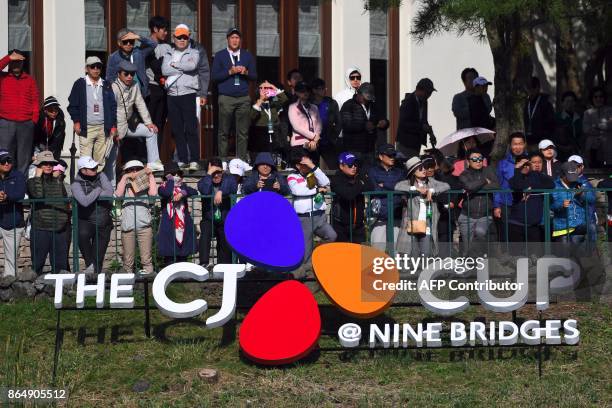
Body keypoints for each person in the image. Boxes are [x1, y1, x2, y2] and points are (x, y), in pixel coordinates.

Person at [109, 59, 162, 178]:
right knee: (111, 159)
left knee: (152, 131)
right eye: (126, 74)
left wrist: (149, 123)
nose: (129, 76)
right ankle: (111, 185)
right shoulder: (114, 87)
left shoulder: (134, 85)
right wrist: (113, 129)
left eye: (132, 74)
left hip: (129, 125)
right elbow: (110, 111)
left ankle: (154, 165)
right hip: (115, 128)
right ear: (119, 74)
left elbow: (140, 103)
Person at [211, 27, 257, 161]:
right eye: (232, 37)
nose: (235, 40)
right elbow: (214, 77)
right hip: (226, 97)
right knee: (223, 131)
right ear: (227, 40)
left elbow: (254, 76)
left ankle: (241, 160)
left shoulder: (247, 55)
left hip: (243, 97)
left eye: (237, 38)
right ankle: (223, 161)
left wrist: (245, 72)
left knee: (242, 132)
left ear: (240, 40)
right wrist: (229, 72)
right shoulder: (220, 55)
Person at [160, 24, 201, 170]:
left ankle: (195, 159)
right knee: (177, 129)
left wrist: (175, 65)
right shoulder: (168, 54)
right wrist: (181, 65)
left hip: (188, 93)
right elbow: (164, 69)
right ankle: (183, 159)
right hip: (172, 95)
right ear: (174, 38)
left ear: (188, 38)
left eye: (185, 37)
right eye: (179, 37)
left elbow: (192, 65)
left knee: (190, 128)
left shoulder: (194, 52)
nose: (182, 40)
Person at [67, 56, 118, 173]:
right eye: (92, 67)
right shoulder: (79, 84)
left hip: (103, 128)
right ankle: (84, 187)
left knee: (100, 160)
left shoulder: (106, 84)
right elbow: (72, 105)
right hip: (86, 128)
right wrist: (76, 121)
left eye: (99, 67)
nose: (96, 69)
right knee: (85, 160)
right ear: (87, 69)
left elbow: (112, 106)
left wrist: (113, 125)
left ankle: (96, 186)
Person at [287, 147, 336, 264]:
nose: (308, 165)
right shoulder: (292, 176)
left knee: (332, 236)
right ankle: (308, 277)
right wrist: (317, 190)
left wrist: (314, 167)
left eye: (309, 161)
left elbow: (326, 182)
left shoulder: (313, 173)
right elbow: (298, 191)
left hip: (319, 215)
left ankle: (318, 256)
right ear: (298, 165)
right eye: (305, 163)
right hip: (304, 218)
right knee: (306, 252)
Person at [395, 157, 450, 257]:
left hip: (428, 221)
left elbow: (446, 186)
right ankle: (416, 271)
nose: (424, 170)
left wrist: (431, 191)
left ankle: (424, 270)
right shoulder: (408, 183)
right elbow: (397, 186)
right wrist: (416, 189)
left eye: (423, 167)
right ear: (413, 172)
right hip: (413, 221)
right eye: (420, 168)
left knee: (427, 252)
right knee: (414, 252)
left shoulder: (431, 181)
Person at [27, 151, 69, 274]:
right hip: (41, 228)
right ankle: (35, 290)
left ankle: (61, 291)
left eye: (51, 163)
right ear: (38, 166)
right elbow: (38, 195)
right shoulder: (31, 182)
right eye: (44, 163)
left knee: (60, 265)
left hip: (59, 229)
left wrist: (63, 219)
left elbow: (65, 201)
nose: (48, 166)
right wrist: (37, 176)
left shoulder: (58, 181)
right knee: (38, 264)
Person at [71, 156, 114, 274]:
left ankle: (96, 282)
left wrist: (91, 195)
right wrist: (99, 190)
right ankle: (90, 268)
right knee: (82, 237)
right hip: (86, 220)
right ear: (83, 170)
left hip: (104, 220)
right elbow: (84, 202)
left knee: (98, 256)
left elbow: (109, 193)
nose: (95, 169)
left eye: (95, 166)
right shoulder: (76, 184)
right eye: (92, 168)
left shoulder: (102, 175)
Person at [0, 50, 40, 175]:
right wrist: (8, 57)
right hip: (6, 122)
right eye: (14, 62)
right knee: (5, 156)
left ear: (23, 64)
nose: (16, 65)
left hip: (26, 123)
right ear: (10, 63)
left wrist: (34, 120)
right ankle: (5, 185)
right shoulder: (3, 78)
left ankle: (20, 185)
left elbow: (35, 100)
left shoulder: (30, 80)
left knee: (24, 157)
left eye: (19, 62)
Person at [114, 160, 157, 275]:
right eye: (131, 169)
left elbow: (153, 194)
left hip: (144, 225)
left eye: (137, 169)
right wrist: (125, 177)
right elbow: (118, 195)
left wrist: (150, 175)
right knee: (128, 261)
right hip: (128, 225)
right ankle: (128, 284)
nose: (135, 172)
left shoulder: (145, 182)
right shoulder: (125, 183)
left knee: (146, 259)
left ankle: (148, 284)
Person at [507, 152, 555, 245]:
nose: (537, 165)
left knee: (534, 257)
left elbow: (551, 185)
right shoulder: (518, 177)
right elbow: (517, 185)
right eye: (534, 162)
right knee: (517, 257)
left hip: (533, 226)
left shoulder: (542, 177)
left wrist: (532, 187)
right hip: (516, 224)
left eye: (539, 162)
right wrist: (517, 169)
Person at [198, 158, 237, 268]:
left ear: (222, 171)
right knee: (205, 231)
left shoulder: (229, 179)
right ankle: (204, 263)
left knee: (225, 237)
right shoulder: (204, 181)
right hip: (209, 218)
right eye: (213, 173)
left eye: (218, 173)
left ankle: (223, 266)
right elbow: (204, 190)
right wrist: (208, 174)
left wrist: (221, 191)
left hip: (224, 218)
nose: (216, 176)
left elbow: (233, 186)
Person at [366, 144, 407, 252]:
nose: (392, 157)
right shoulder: (372, 171)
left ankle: (396, 270)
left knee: (396, 253)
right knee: (377, 253)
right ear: (380, 156)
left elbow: (402, 189)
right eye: (389, 155)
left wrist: (385, 185)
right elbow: (374, 190)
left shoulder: (400, 172)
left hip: (396, 215)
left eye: (393, 155)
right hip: (379, 217)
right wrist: (394, 190)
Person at [458, 149, 499, 254]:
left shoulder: (489, 170)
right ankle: (469, 267)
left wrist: (476, 187)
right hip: (466, 215)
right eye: (475, 159)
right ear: (468, 161)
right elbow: (469, 186)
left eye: (480, 159)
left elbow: (496, 185)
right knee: (467, 248)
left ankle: (480, 262)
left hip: (484, 215)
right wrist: (485, 181)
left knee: (480, 233)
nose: (478, 161)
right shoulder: (464, 174)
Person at [157, 162, 199, 264]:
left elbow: (194, 192)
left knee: (183, 253)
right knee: (170, 254)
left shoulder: (183, 186)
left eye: (178, 174)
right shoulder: (162, 187)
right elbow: (167, 193)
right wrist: (170, 181)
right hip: (169, 224)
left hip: (182, 224)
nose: (176, 176)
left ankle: (183, 277)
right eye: (173, 174)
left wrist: (182, 193)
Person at [340, 83, 388, 167]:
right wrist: (363, 126)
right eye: (365, 98)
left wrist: (385, 123)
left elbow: (382, 118)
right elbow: (345, 124)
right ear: (359, 94)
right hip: (353, 148)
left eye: (369, 99)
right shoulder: (348, 105)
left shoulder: (373, 106)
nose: (367, 101)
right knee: (354, 172)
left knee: (368, 174)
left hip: (370, 148)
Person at [331, 152, 372, 243]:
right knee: (342, 255)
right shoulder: (336, 179)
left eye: (355, 164)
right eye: (350, 165)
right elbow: (348, 195)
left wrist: (356, 186)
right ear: (341, 166)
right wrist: (360, 184)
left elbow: (371, 186)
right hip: (341, 227)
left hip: (358, 226)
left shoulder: (359, 176)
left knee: (358, 255)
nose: (354, 167)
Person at [494, 132, 528, 242]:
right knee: (507, 232)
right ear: (510, 145)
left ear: (525, 144)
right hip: (506, 202)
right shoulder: (503, 163)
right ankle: (507, 257)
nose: (518, 147)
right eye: (515, 144)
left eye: (520, 144)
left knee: (523, 231)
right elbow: (498, 184)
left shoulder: (530, 161)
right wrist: (497, 205)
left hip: (525, 202)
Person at [551, 161, 595, 244]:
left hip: (578, 224)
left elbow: (592, 199)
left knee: (591, 227)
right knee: (565, 254)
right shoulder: (554, 185)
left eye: (574, 176)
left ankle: (591, 254)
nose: (573, 179)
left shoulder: (580, 183)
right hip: (562, 225)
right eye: (569, 176)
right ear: (563, 174)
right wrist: (561, 205)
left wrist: (581, 194)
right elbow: (552, 206)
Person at [106, 28, 156, 97]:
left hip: (141, 93)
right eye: (125, 42)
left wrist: (137, 37)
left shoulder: (139, 52)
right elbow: (110, 77)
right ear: (119, 43)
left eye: (131, 41)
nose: (128, 44)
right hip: (123, 95)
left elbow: (154, 44)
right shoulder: (113, 57)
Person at [145, 15, 170, 149]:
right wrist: (160, 77)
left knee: (160, 123)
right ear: (155, 29)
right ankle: (146, 158)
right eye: (164, 30)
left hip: (164, 90)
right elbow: (153, 65)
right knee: (149, 124)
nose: (166, 33)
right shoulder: (147, 45)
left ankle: (157, 158)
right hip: (151, 89)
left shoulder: (167, 47)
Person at [397, 78, 437, 159]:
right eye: (427, 92)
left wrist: (431, 133)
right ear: (419, 89)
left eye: (430, 93)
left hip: (416, 143)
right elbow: (403, 124)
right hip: (406, 143)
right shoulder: (408, 102)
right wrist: (421, 127)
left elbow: (424, 120)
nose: (429, 95)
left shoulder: (424, 101)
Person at [0, 149, 25, 277]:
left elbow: (20, 194)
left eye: (9, 160)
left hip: (13, 222)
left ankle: (10, 286)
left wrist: (6, 197)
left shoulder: (18, 175)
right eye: (3, 161)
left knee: (11, 258)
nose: (6, 163)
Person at [249, 80, 288, 162]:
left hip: (274, 136)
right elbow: (251, 116)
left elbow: (284, 99)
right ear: (258, 90)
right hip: (261, 137)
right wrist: (260, 101)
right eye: (262, 88)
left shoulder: (273, 102)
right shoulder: (253, 103)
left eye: (268, 88)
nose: (265, 90)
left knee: (274, 160)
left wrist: (273, 87)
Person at [311, 78, 341, 170]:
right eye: (321, 88)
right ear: (314, 90)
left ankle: (335, 184)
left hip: (328, 141)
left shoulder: (331, 103)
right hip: (313, 142)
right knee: (312, 167)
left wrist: (333, 136)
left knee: (334, 166)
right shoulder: (308, 103)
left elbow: (339, 121)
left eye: (325, 88)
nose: (324, 90)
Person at [582, 86, 612, 167]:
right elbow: (586, 129)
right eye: (595, 96)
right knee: (595, 176)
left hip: (609, 149)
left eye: (601, 96)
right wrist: (604, 128)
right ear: (592, 98)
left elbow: (610, 125)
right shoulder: (587, 113)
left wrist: (596, 126)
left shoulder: (610, 110)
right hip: (592, 150)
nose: (598, 99)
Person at [523, 76, 555, 151]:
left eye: (533, 87)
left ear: (538, 88)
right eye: (528, 88)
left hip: (540, 142)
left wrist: (544, 139)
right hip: (526, 141)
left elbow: (550, 124)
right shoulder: (525, 103)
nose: (531, 90)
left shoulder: (545, 103)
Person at [288, 82, 322, 152]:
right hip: (299, 144)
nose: (305, 92)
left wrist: (315, 139)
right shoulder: (293, 107)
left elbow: (319, 124)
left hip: (314, 144)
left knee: (314, 163)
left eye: (307, 90)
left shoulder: (314, 107)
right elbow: (296, 127)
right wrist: (313, 136)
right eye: (302, 91)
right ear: (297, 92)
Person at [33, 96, 65, 161]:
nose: (54, 112)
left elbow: (58, 139)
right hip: (39, 146)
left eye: (56, 110)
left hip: (54, 148)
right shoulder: (39, 120)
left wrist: (52, 153)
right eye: (51, 110)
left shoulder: (60, 121)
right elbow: (34, 138)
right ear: (45, 110)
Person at [554, 91, 582, 161]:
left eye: (572, 101)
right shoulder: (557, 118)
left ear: (575, 103)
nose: (570, 104)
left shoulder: (579, 118)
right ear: (562, 103)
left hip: (577, 152)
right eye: (567, 101)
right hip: (561, 152)